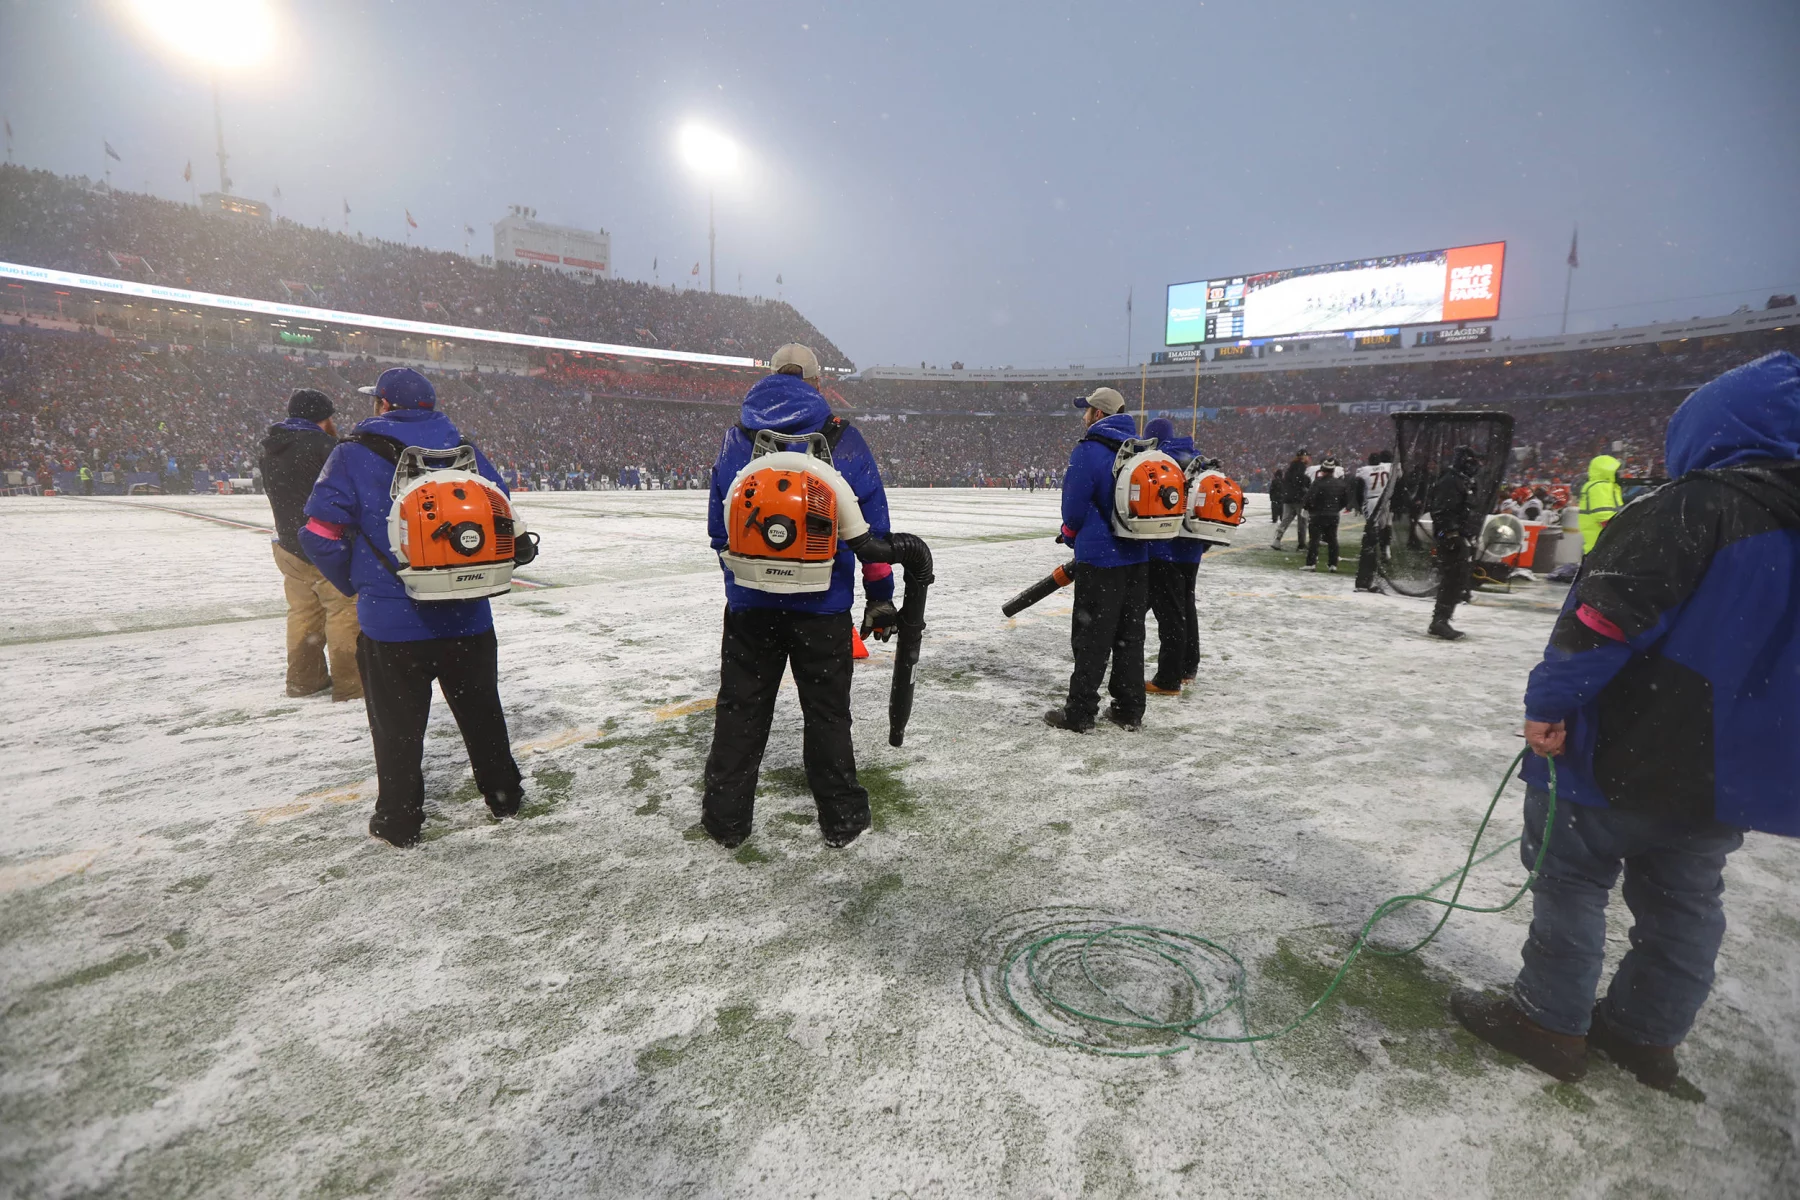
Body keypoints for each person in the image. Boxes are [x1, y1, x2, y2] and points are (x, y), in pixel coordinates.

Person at [1452, 351, 1800, 1092]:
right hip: (1729, 767)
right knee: (1685, 902)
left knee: (1572, 881)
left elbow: (1601, 620)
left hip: (1631, 744)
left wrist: (1548, 706)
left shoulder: (1693, 505)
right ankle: (1646, 1035)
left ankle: (1548, 1022)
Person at [300, 367, 525, 848]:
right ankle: (504, 796)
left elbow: (319, 535)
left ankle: (400, 820)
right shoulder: (463, 451)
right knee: (483, 714)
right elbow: (502, 514)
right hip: (467, 613)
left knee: (398, 730)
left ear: (382, 405)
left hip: (391, 624)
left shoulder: (351, 454)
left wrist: (359, 582)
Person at [701, 344, 894, 850]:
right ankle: (842, 820)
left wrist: (748, 580)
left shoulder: (736, 439)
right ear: (816, 379)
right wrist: (880, 595)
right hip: (823, 607)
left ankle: (726, 821)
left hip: (750, 608)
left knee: (741, 711)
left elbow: (719, 532)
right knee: (827, 715)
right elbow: (873, 531)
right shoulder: (842, 438)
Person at [1044, 387, 1148, 732]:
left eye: (1087, 410)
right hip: (1138, 555)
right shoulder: (1140, 450)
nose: (1084, 415)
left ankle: (1080, 713)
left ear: (1099, 415)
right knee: (1130, 636)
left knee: (1092, 638)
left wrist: (1070, 534)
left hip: (1101, 558)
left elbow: (1073, 510)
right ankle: (1129, 708)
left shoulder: (1089, 450)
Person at [260, 388, 361, 701]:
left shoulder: (270, 447)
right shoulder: (326, 446)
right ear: (324, 417)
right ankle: (351, 685)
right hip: (325, 544)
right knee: (344, 613)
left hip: (288, 545)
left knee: (303, 615)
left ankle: (305, 681)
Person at [1141, 418, 1204, 696]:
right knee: (1185, 607)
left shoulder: (1160, 459)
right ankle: (1189, 666)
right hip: (1193, 546)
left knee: (1169, 615)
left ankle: (1168, 677)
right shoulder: (1194, 457)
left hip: (1167, 546)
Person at [1427, 446, 1480, 640]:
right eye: (1473, 462)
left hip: (1458, 535)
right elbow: (1441, 511)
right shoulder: (1451, 481)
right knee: (1452, 578)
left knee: (1457, 579)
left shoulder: (1461, 480)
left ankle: (1442, 618)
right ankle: (1440, 620)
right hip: (1451, 536)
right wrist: (1450, 534)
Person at [1352, 449, 1394, 591]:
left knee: (1371, 532)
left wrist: (1358, 503)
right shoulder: (1389, 467)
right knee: (1386, 526)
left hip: (1372, 500)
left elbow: (1358, 486)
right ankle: (1385, 548)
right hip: (1386, 500)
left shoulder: (1364, 470)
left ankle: (1376, 550)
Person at [1302, 456, 1351, 572]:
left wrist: (1310, 508)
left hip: (1317, 515)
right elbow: (1345, 500)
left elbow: (1309, 499)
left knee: (1314, 540)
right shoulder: (1340, 484)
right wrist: (1336, 509)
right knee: (1333, 540)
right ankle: (1333, 564)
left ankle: (1311, 563)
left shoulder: (1318, 483)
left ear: (1323, 470)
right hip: (1333, 515)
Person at [1578, 453, 1623, 553]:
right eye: (1616, 470)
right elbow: (1604, 517)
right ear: (1606, 470)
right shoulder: (1600, 486)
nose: (1619, 473)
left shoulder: (1603, 485)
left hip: (1599, 545)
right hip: (1602, 547)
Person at [1270, 449, 1311, 550]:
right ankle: (1301, 544)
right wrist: (1306, 484)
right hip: (1299, 498)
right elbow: (1301, 480)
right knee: (1302, 522)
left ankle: (1277, 540)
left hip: (1288, 498)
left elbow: (1288, 481)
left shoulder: (1290, 468)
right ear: (1303, 457)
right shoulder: (1302, 467)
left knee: (1285, 520)